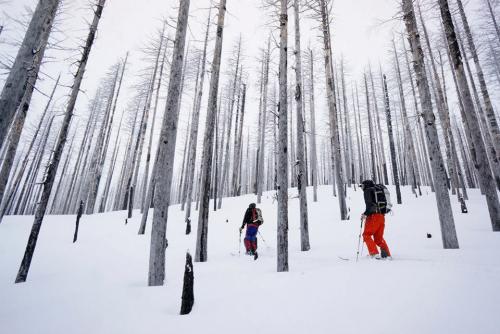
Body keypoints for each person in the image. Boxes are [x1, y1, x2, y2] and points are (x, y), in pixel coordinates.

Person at [360, 180, 392, 260]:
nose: (361, 187)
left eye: (362, 185)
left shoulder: (367, 191)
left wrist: (365, 214)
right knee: (378, 238)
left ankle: (374, 253)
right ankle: (387, 255)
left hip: (373, 217)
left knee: (366, 235)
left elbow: (369, 205)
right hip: (381, 216)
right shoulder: (377, 190)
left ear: (366, 185)